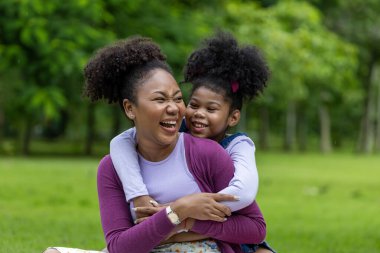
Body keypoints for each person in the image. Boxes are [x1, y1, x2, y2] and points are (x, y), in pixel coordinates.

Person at [44, 36, 266, 253]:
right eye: (160, 99)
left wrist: (187, 222)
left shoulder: (209, 152)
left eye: (178, 98)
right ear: (130, 108)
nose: (173, 108)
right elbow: (120, 246)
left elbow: (254, 226)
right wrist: (178, 209)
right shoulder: (112, 167)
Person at [110, 32, 275, 253]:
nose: (198, 114)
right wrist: (139, 195)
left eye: (211, 109)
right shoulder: (177, 130)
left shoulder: (238, 145)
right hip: (187, 228)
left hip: (233, 232)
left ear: (233, 118)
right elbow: (120, 142)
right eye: (193, 105)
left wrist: (182, 210)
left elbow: (243, 194)